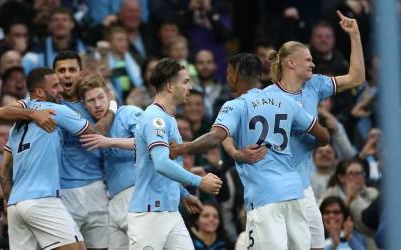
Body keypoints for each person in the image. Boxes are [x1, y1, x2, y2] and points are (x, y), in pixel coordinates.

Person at [229, 10, 365, 250]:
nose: (313, 63)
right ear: (290, 62)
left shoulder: (315, 85)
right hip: (273, 192)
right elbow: (226, 131)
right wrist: (236, 152)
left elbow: (356, 78)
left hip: (303, 186)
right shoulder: (264, 97)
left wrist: (354, 35)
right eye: (308, 59)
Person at [170, 53, 330, 249]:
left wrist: (181, 148)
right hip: (295, 192)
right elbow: (324, 137)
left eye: (228, 73)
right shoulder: (286, 101)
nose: (227, 77)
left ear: (235, 76)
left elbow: (215, 137)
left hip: (264, 196)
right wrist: (307, 145)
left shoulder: (236, 105)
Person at [0, 51, 115, 250]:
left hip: (19, 202)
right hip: (47, 196)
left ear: (81, 73)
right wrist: (112, 107)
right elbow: (96, 132)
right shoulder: (54, 109)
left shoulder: (18, 123)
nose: (63, 82)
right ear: (41, 91)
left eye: (71, 70)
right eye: (58, 77)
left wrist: (9, 202)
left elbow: (4, 168)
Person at [127, 58, 222, 250]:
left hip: (169, 211)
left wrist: (182, 193)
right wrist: (199, 181)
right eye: (186, 82)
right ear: (170, 86)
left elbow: (163, 167)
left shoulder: (167, 118)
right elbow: (161, 163)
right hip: (150, 213)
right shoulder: (156, 118)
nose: (191, 86)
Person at [76, 74, 142, 250]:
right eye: (91, 100)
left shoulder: (128, 112)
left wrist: (110, 142)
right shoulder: (92, 128)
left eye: (100, 97)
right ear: (84, 105)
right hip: (113, 201)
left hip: (137, 193)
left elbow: (150, 143)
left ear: (109, 96)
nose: (97, 104)